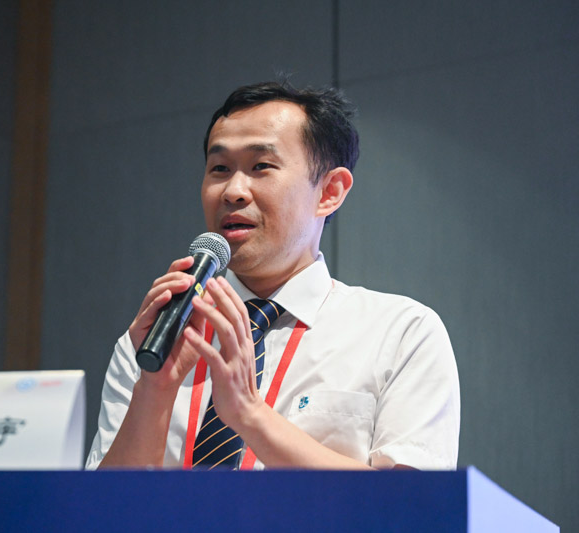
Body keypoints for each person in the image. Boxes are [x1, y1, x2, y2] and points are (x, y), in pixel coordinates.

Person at [86, 81, 459, 470]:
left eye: (261, 166)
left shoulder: (401, 333)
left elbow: (410, 501)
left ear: (329, 191)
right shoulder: (155, 338)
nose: (233, 191)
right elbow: (101, 504)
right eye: (219, 169)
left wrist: (249, 413)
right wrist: (154, 388)